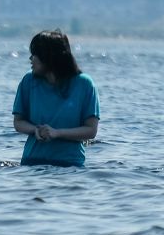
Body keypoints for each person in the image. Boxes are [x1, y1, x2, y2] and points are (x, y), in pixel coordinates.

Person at [10, 29, 100, 167]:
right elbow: (18, 122)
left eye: (35, 54)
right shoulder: (29, 81)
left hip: (70, 166)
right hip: (31, 164)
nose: (30, 59)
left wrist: (57, 133)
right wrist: (35, 130)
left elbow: (91, 130)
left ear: (48, 57)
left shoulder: (84, 84)